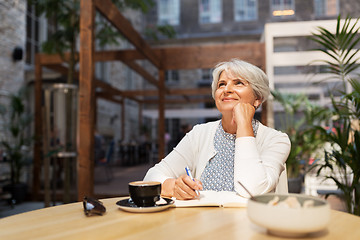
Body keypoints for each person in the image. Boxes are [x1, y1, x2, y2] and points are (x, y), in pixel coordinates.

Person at [143, 59, 291, 200]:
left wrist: (244, 125)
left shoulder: (277, 140)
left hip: (251, 224)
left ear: (257, 98)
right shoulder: (199, 134)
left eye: (238, 83)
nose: (227, 89)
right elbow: (151, 176)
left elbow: (252, 190)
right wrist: (173, 186)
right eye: (221, 84)